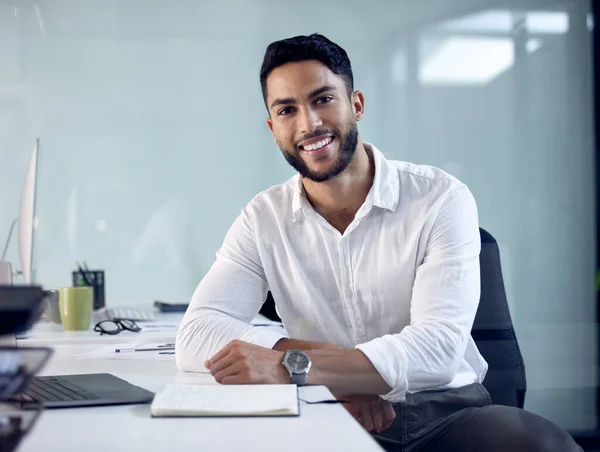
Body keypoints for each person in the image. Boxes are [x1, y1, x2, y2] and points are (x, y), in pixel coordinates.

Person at [175, 33, 582, 452]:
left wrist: (290, 365)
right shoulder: (262, 218)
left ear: (357, 105)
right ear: (272, 127)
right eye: (287, 110)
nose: (308, 124)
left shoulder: (440, 198)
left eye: (323, 99)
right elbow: (196, 336)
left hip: (447, 414)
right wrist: (336, 376)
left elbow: (437, 349)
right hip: (327, 411)